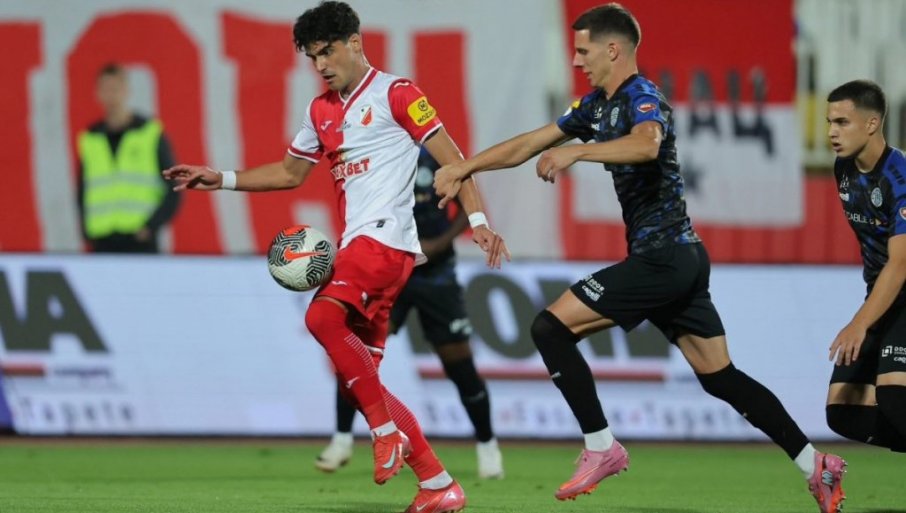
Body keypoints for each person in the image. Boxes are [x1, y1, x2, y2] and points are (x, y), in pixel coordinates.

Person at [434, 3, 845, 512]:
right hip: (682, 258)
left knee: (549, 328)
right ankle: (816, 464)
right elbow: (530, 143)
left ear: (613, 49)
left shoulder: (642, 97)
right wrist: (465, 167)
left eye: (583, 51)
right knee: (720, 376)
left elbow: (647, 146)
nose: (577, 60)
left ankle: (601, 446)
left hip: (663, 259)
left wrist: (577, 151)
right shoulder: (594, 107)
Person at [164, 3, 508, 512]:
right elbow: (289, 173)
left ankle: (385, 434)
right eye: (312, 56)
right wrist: (223, 178)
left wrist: (477, 221)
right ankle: (438, 484)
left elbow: (455, 160)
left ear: (355, 42)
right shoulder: (319, 111)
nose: (321, 64)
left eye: (327, 51)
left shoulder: (397, 93)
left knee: (321, 317)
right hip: (361, 247)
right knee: (358, 383)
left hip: (385, 242)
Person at [316, 150, 504, 479]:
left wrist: (440, 243)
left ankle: (488, 447)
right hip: (389, 271)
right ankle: (341, 440)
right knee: (355, 354)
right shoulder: (377, 154)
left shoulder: (436, 157)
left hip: (436, 276)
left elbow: (468, 206)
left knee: (459, 363)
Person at [824, 80, 906, 454]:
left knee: (894, 396)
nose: (832, 132)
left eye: (842, 122)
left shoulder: (899, 178)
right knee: (842, 411)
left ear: (872, 124)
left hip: (901, 289)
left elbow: (900, 264)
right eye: (829, 122)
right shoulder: (843, 169)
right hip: (882, 295)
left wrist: (859, 323)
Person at [77, 63, 180, 253]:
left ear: (126, 91)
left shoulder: (148, 133)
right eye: (106, 89)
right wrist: (86, 231)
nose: (111, 95)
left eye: (115, 88)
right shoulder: (90, 138)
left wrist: (151, 226)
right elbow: (83, 190)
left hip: (139, 239)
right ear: (97, 93)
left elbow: (174, 187)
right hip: (102, 239)